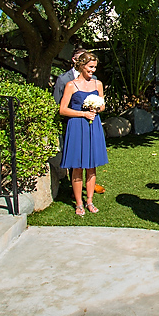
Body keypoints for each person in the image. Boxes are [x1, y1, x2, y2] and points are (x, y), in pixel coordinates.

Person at [58, 52, 108, 216]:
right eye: (90, 67)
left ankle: (89, 201)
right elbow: (63, 109)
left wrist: (96, 108)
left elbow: (103, 106)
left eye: (94, 67)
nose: (93, 70)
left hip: (93, 126)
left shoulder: (97, 84)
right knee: (78, 166)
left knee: (91, 166)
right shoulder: (71, 85)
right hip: (77, 126)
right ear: (81, 66)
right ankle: (79, 203)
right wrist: (83, 114)